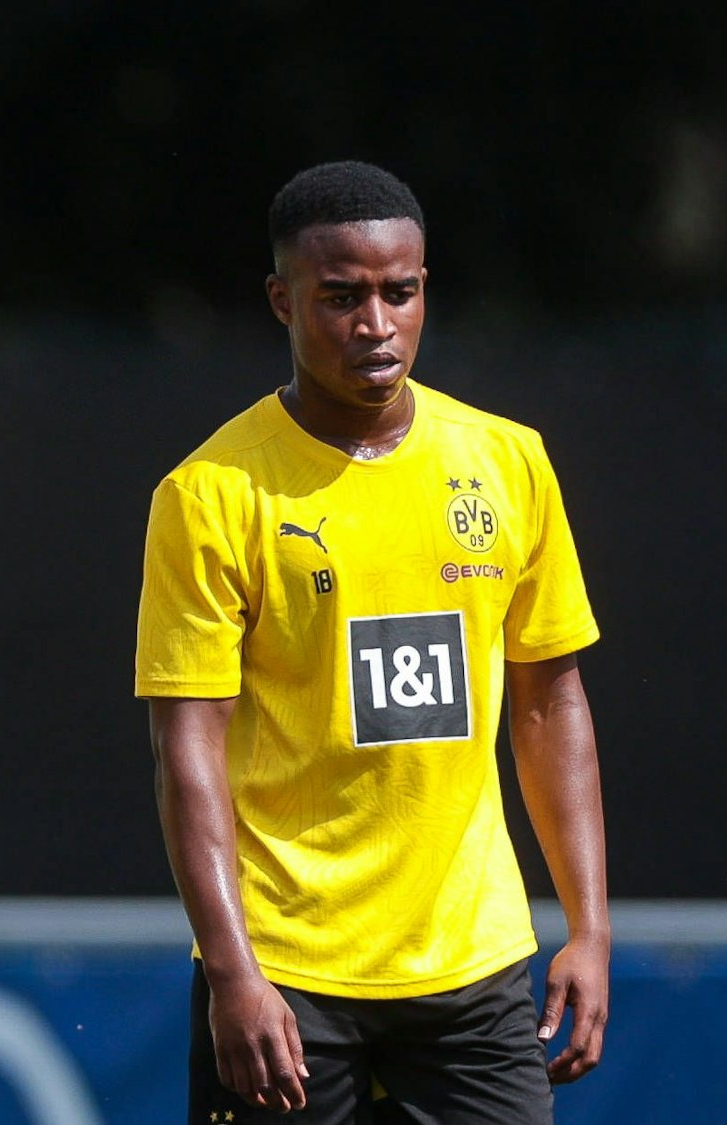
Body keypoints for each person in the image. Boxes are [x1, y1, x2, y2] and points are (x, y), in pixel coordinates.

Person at [136, 160, 609, 1124]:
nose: (377, 324)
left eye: (401, 292)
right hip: (288, 973)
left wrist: (591, 928)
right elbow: (187, 747)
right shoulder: (210, 493)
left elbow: (550, 704)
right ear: (282, 301)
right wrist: (233, 973)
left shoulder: (508, 462)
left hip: (471, 965)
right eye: (341, 297)